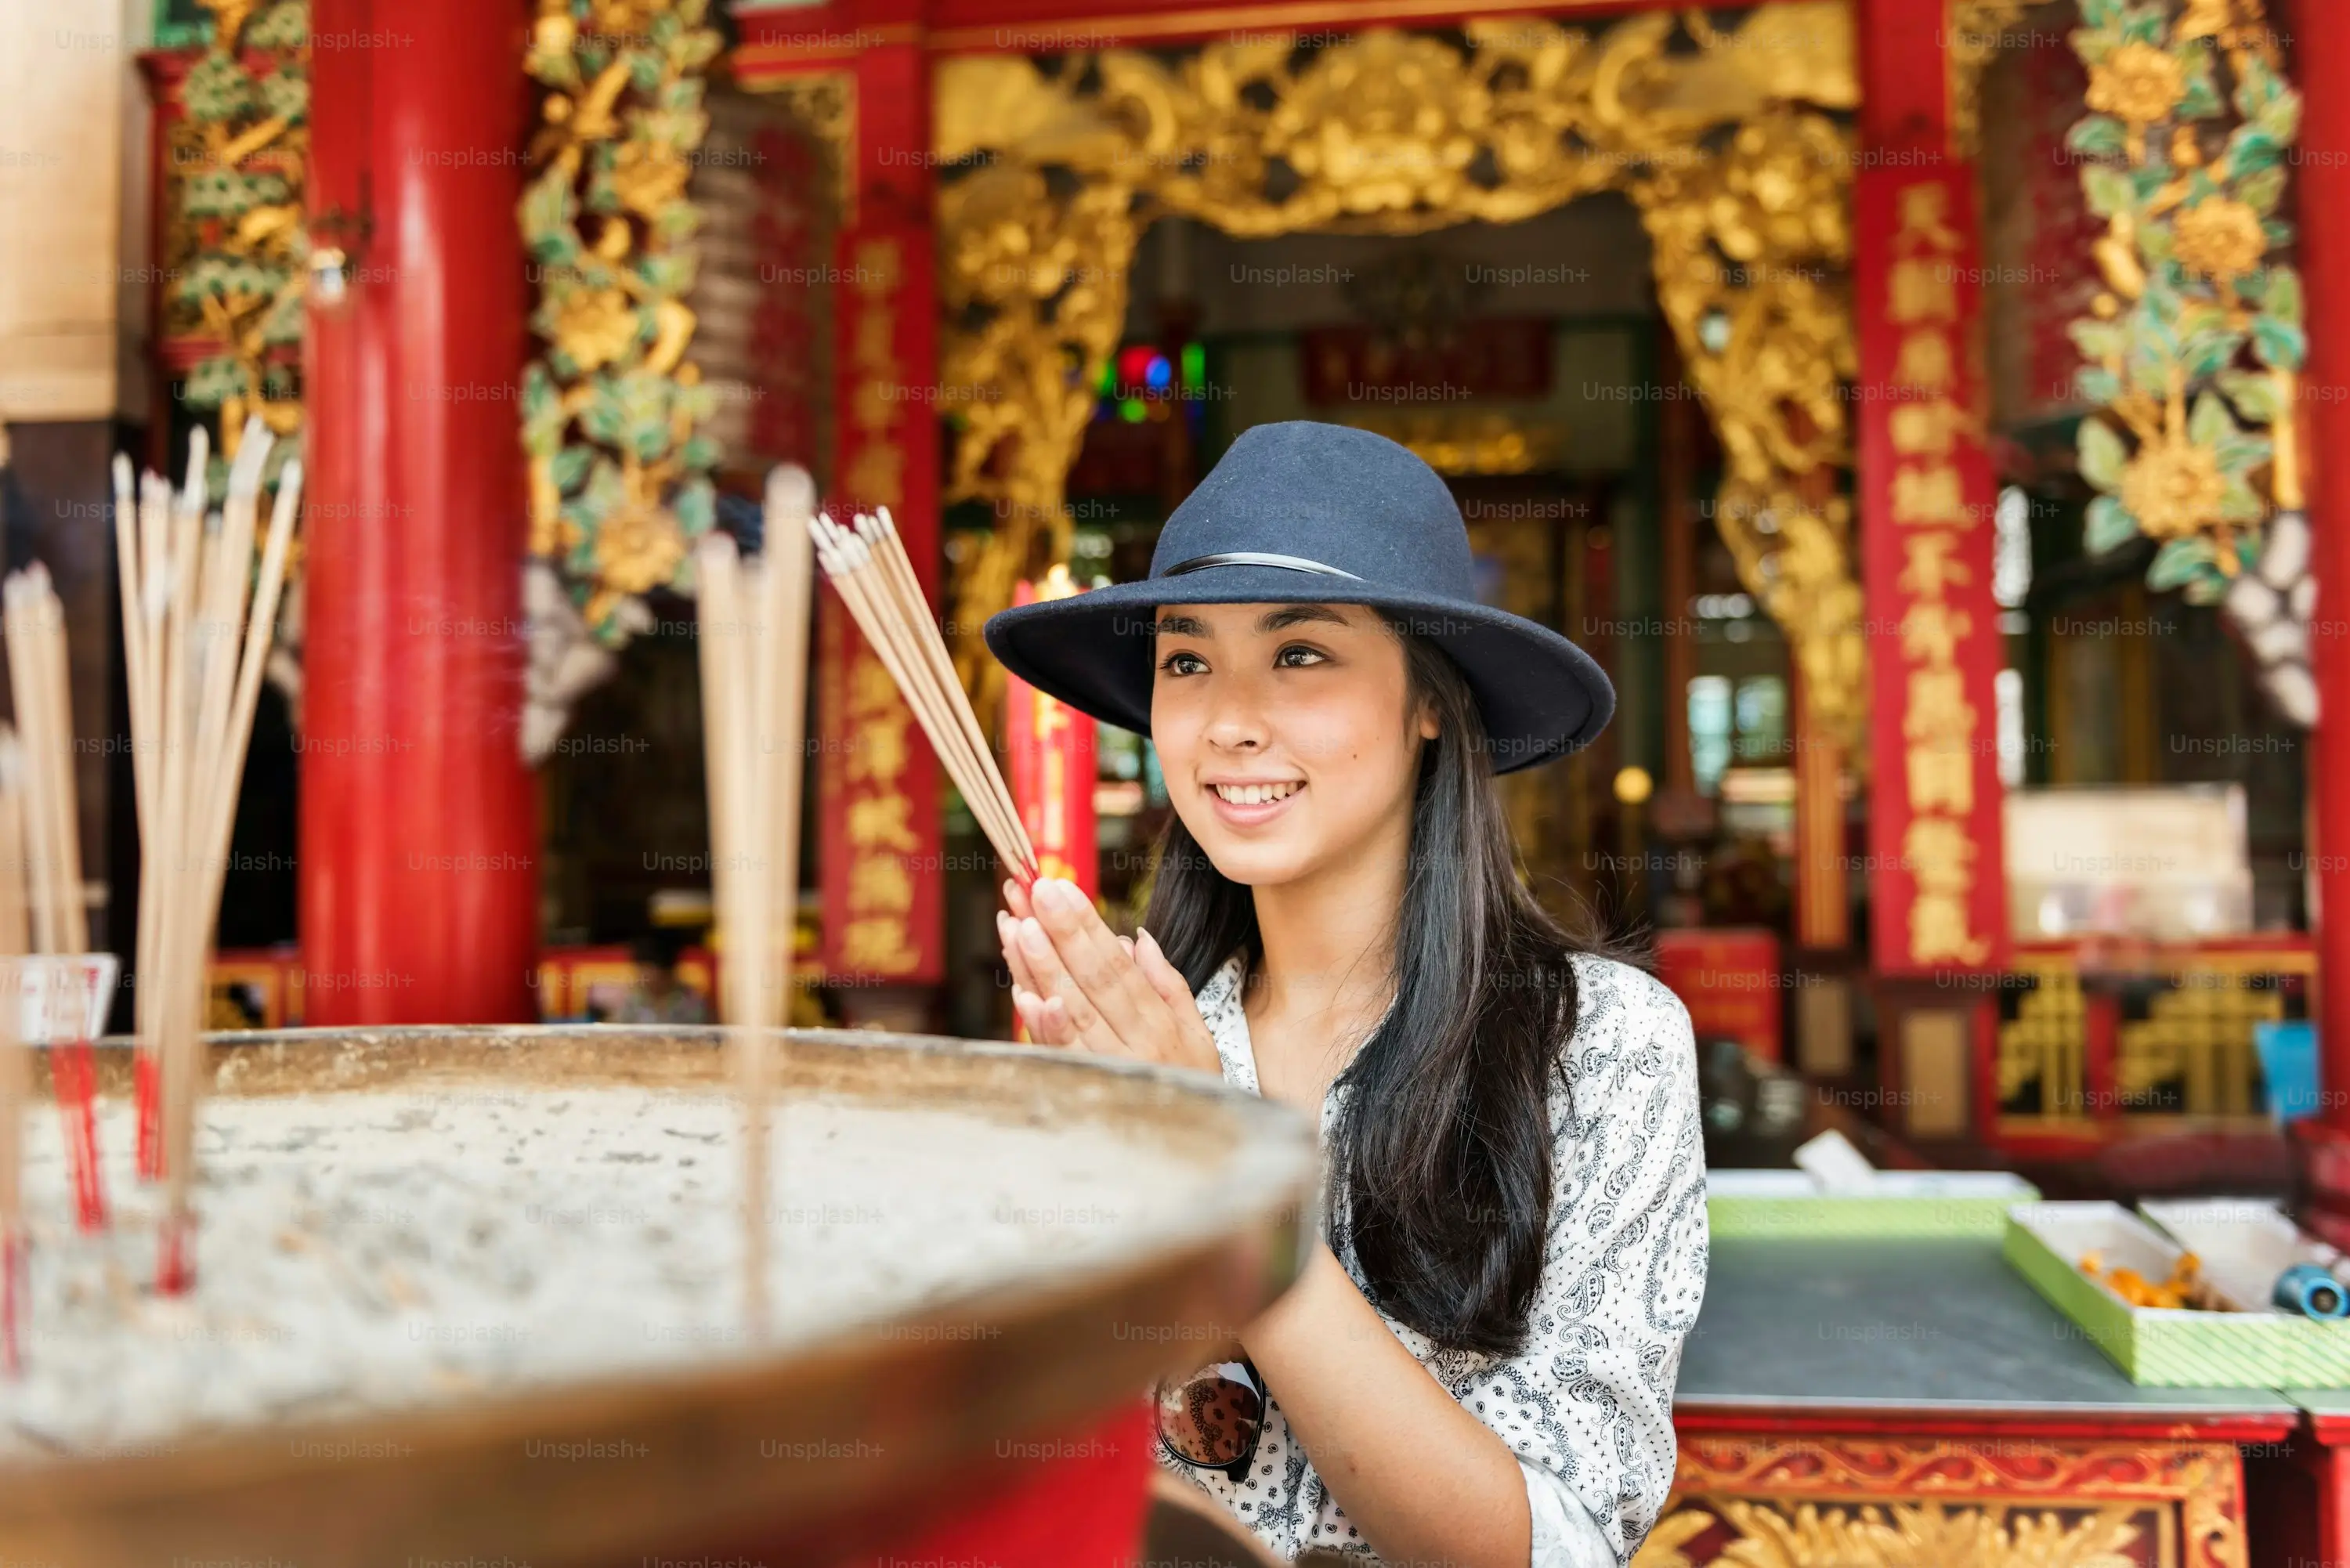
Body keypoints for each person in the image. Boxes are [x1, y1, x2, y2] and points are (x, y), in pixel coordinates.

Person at [983, 422, 1708, 1568]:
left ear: (1430, 700)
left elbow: (1551, 1546)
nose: (1227, 720)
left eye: (1302, 654)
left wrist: (1235, 1194)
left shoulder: (1601, 1044)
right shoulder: (1128, 1044)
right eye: (1186, 659)